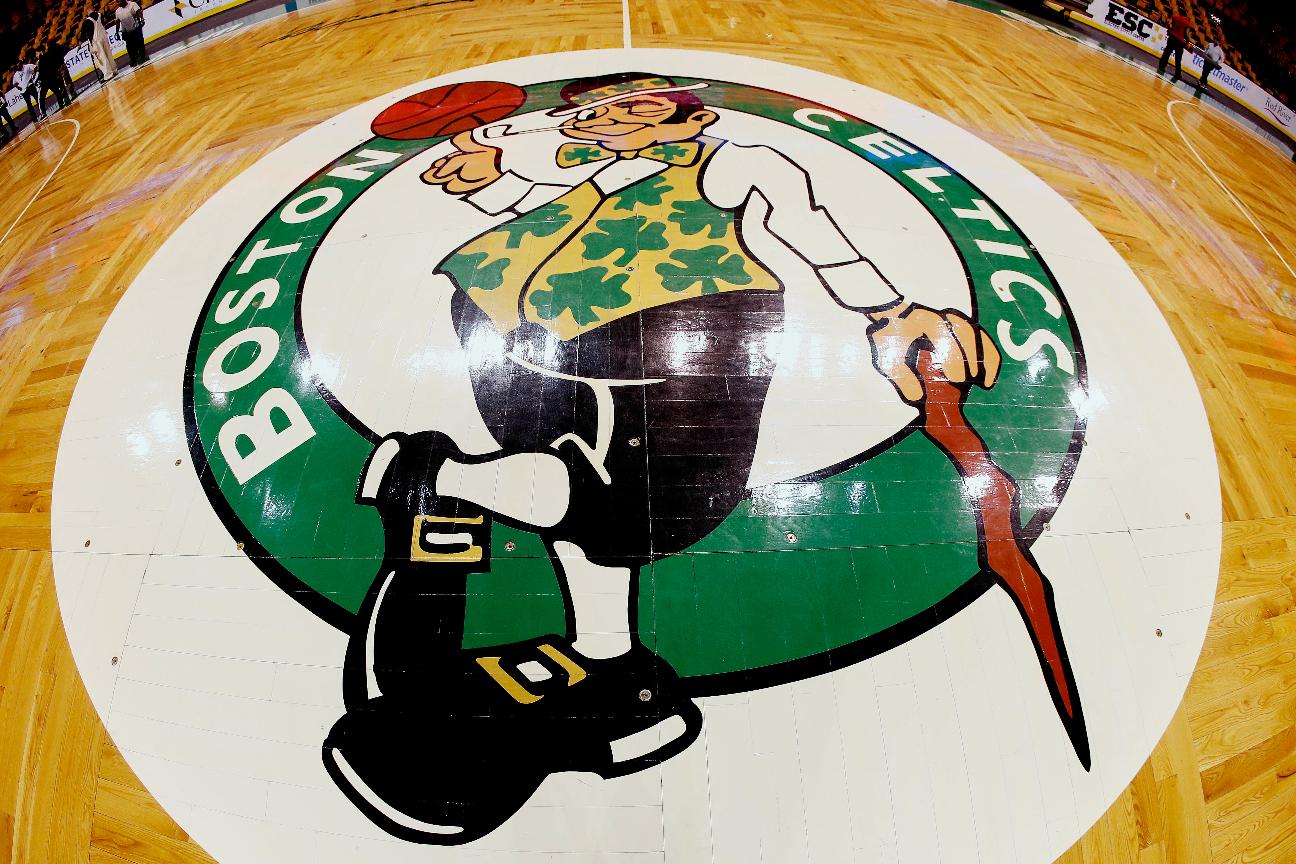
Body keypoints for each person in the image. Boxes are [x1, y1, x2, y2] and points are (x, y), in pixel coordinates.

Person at [319, 73, 1091, 844]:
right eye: (596, 113)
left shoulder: (732, 161)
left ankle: (602, 652)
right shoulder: (601, 173)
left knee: (603, 495)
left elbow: (805, 220)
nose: (604, 120)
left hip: (569, 326)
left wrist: (890, 310)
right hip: (597, 328)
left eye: (631, 108)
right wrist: (493, 178)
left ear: (677, 115)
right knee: (634, 500)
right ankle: (432, 478)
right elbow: (557, 227)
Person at [82, 5, 117, 82]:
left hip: (96, 40)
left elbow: (83, 35)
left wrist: (80, 43)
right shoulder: (100, 15)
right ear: (93, 9)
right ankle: (114, 70)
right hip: (104, 36)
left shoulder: (87, 21)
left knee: (102, 57)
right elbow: (104, 23)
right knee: (109, 54)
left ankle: (108, 74)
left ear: (87, 12)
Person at [37, 43, 71, 114]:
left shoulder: (41, 60)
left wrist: (39, 79)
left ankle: (43, 113)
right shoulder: (48, 56)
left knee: (42, 98)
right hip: (52, 78)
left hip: (46, 81)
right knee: (58, 92)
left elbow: (41, 72)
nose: (36, 55)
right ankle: (61, 105)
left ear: (40, 52)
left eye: (37, 53)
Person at [1158, 12, 1191, 81]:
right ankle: (1177, 74)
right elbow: (1186, 34)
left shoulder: (1175, 17)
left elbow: (1169, 24)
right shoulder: (1187, 23)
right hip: (1179, 41)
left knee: (1167, 52)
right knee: (1178, 59)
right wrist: (1187, 42)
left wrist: (1171, 30)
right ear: (1187, 17)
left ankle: (1161, 66)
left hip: (1172, 37)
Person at [115, 0, 148, 67]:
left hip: (136, 27)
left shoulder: (132, 4)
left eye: (119, 1)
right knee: (129, 46)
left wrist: (142, 19)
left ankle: (143, 56)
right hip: (126, 30)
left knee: (139, 42)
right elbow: (117, 21)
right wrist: (117, 32)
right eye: (117, 2)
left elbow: (139, 12)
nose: (119, 3)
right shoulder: (117, 11)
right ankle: (133, 59)